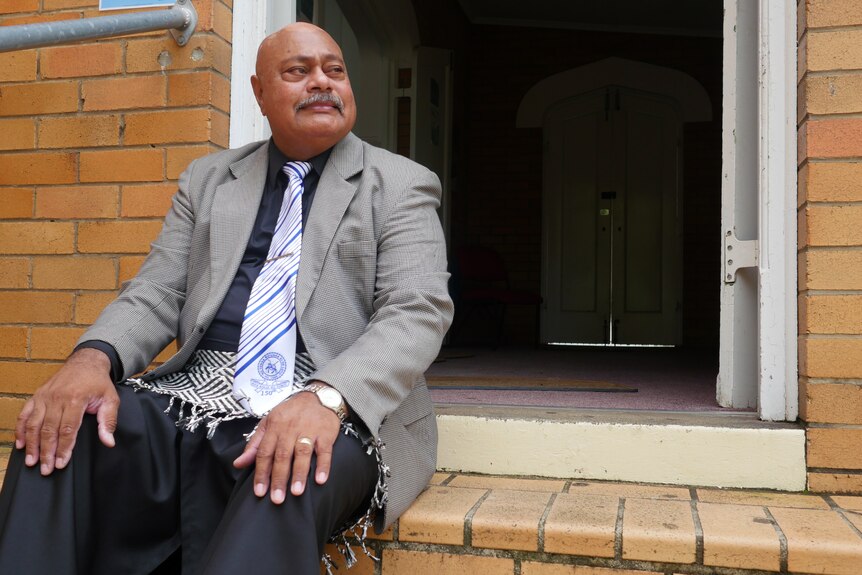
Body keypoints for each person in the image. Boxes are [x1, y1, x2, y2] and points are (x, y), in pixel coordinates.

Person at [0, 22, 452, 575]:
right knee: (59, 431)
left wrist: (324, 398)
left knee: (285, 470)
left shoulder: (401, 183)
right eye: (298, 71)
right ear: (259, 92)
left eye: (335, 70)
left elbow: (416, 311)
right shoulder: (209, 179)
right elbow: (157, 290)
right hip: (201, 383)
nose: (322, 83)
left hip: (335, 393)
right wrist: (91, 359)